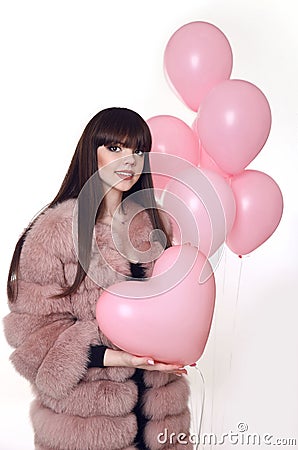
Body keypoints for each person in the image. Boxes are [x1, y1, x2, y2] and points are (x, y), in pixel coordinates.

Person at [4, 107, 193, 450]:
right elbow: (34, 339)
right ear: (91, 152)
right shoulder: (56, 232)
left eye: (137, 151)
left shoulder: (154, 225)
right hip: (86, 423)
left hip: (159, 416)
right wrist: (118, 357)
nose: (129, 161)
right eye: (115, 148)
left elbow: (172, 310)